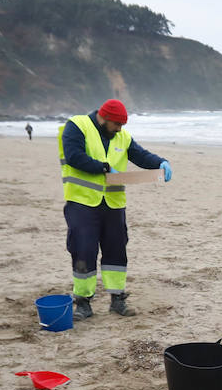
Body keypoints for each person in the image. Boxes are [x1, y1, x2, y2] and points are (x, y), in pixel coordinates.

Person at [58, 98, 171, 318]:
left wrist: (160, 163)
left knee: (117, 251)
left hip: (113, 205)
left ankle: (117, 299)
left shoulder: (122, 136)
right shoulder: (78, 126)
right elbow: (74, 157)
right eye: (116, 125)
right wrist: (104, 167)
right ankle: (82, 302)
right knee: (83, 250)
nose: (119, 129)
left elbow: (141, 155)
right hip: (82, 202)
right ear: (104, 118)